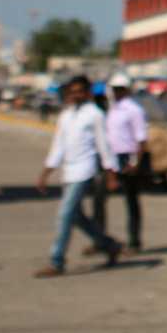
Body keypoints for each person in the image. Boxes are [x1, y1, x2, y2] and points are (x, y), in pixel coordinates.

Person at [35, 75, 123, 277]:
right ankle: (110, 245)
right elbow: (58, 147)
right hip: (68, 172)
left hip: (85, 171)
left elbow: (104, 146)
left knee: (64, 215)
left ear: (88, 92)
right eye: (72, 91)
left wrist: (111, 174)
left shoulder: (95, 114)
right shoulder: (66, 115)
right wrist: (46, 173)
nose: (76, 95)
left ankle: (56, 261)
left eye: (80, 91)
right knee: (77, 218)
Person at [86, 73, 149, 253]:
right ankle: (99, 239)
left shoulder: (134, 110)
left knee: (131, 200)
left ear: (127, 90)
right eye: (115, 89)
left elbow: (141, 138)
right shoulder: (112, 109)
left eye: (120, 89)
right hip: (110, 158)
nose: (117, 92)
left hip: (127, 157)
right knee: (99, 199)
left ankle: (134, 242)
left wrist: (136, 161)